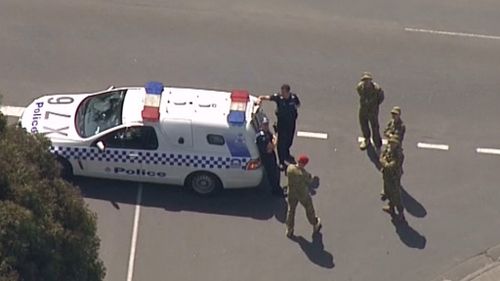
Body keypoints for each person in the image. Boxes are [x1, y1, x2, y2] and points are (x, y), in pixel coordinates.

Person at [257, 84, 301, 170]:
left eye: (284, 92)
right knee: (281, 144)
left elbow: (298, 104)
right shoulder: (278, 97)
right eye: (282, 92)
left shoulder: (293, 97)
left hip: (291, 123)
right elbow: (268, 97)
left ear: (288, 92)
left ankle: (286, 154)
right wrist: (260, 98)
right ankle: (281, 161)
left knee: (289, 140)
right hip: (282, 124)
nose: (282, 94)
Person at [285, 155, 322, 238]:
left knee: (291, 211)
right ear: (304, 164)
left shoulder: (290, 168)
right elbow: (310, 181)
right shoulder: (302, 174)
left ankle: (289, 229)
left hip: (292, 193)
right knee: (309, 209)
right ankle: (315, 223)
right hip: (302, 194)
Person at [256, 117, 284, 197]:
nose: (267, 126)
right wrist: (275, 141)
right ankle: (275, 191)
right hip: (267, 158)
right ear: (261, 126)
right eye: (265, 124)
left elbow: (272, 139)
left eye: (267, 124)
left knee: (275, 174)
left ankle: (277, 188)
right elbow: (269, 149)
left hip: (271, 157)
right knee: (272, 175)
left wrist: (273, 140)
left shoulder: (267, 133)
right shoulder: (262, 137)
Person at [379, 137, 406, 221]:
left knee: (396, 196)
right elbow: (382, 156)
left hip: (393, 178)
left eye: (392, 143)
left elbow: (390, 166)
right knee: (388, 192)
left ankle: (401, 215)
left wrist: (383, 161)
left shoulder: (398, 155)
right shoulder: (388, 149)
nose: (390, 145)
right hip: (387, 176)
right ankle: (391, 207)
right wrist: (383, 160)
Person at [356, 72, 385, 151]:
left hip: (373, 111)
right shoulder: (360, 87)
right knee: (364, 125)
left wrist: (374, 105)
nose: (366, 82)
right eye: (364, 80)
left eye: (368, 80)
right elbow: (360, 93)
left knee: (375, 127)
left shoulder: (376, 89)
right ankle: (367, 139)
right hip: (363, 109)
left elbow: (381, 98)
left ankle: (377, 144)